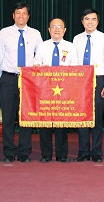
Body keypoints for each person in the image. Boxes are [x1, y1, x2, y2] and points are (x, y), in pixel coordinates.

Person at [0, 2, 43, 163]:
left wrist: (36, 67)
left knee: (26, 117)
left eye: (24, 13)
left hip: (28, 79)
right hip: (8, 78)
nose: (21, 16)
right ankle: (9, 152)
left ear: (28, 16)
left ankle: (24, 152)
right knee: (8, 117)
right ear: (13, 15)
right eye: (18, 13)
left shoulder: (35, 34)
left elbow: (40, 55)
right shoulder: (4, 33)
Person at [33, 18, 78, 163]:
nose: (57, 29)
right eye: (54, 27)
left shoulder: (71, 47)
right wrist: (41, 68)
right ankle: (46, 154)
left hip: (64, 89)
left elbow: (75, 68)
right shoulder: (42, 46)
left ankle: (62, 155)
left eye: (60, 27)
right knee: (45, 122)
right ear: (49, 30)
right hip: (45, 89)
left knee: (61, 122)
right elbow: (35, 65)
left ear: (65, 30)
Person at [73, 8, 104, 163]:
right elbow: (74, 61)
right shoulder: (77, 39)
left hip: (99, 79)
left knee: (96, 117)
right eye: (87, 19)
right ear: (82, 21)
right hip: (80, 80)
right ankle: (83, 151)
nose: (90, 22)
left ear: (98, 22)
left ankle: (96, 152)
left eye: (93, 19)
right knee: (82, 117)